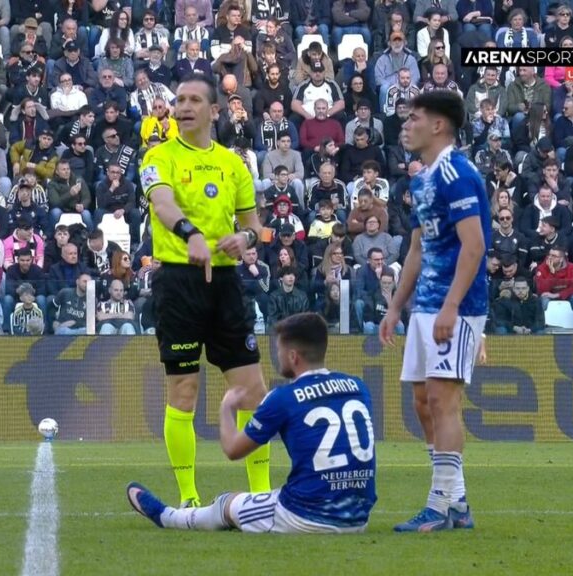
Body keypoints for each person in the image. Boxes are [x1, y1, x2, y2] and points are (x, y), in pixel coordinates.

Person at [138, 75, 270, 506]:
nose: (184, 106)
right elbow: (163, 203)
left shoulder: (233, 165)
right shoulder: (158, 156)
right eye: (179, 100)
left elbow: (254, 226)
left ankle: (261, 495)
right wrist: (190, 233)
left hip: (227, 282)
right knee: (183, 391)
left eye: (194, 99)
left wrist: (244, 239)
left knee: (254, 392)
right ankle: (189, 498)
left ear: (215, 111)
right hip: (178, 282)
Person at [127, 312, 376, 534]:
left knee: (225, 504)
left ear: (293, 356)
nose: (277, 357)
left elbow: (233, 450)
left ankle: (169, 517)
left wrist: (226, 409)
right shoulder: (359, 387)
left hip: (307, 516)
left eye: (279, 350)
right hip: (358, 516)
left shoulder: (283, 398)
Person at [379, 91, 491, 532]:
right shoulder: (422, 179)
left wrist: (452, 306)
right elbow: (417, 248)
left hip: (455, 306)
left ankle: (440, 505)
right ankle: (457, 502)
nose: (407, 126)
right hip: (424, 305)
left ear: (439, 125)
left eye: (415, 119)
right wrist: (395, 307)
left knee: (443, 400)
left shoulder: (456, 173)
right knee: (423, 401)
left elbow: (474, 245)